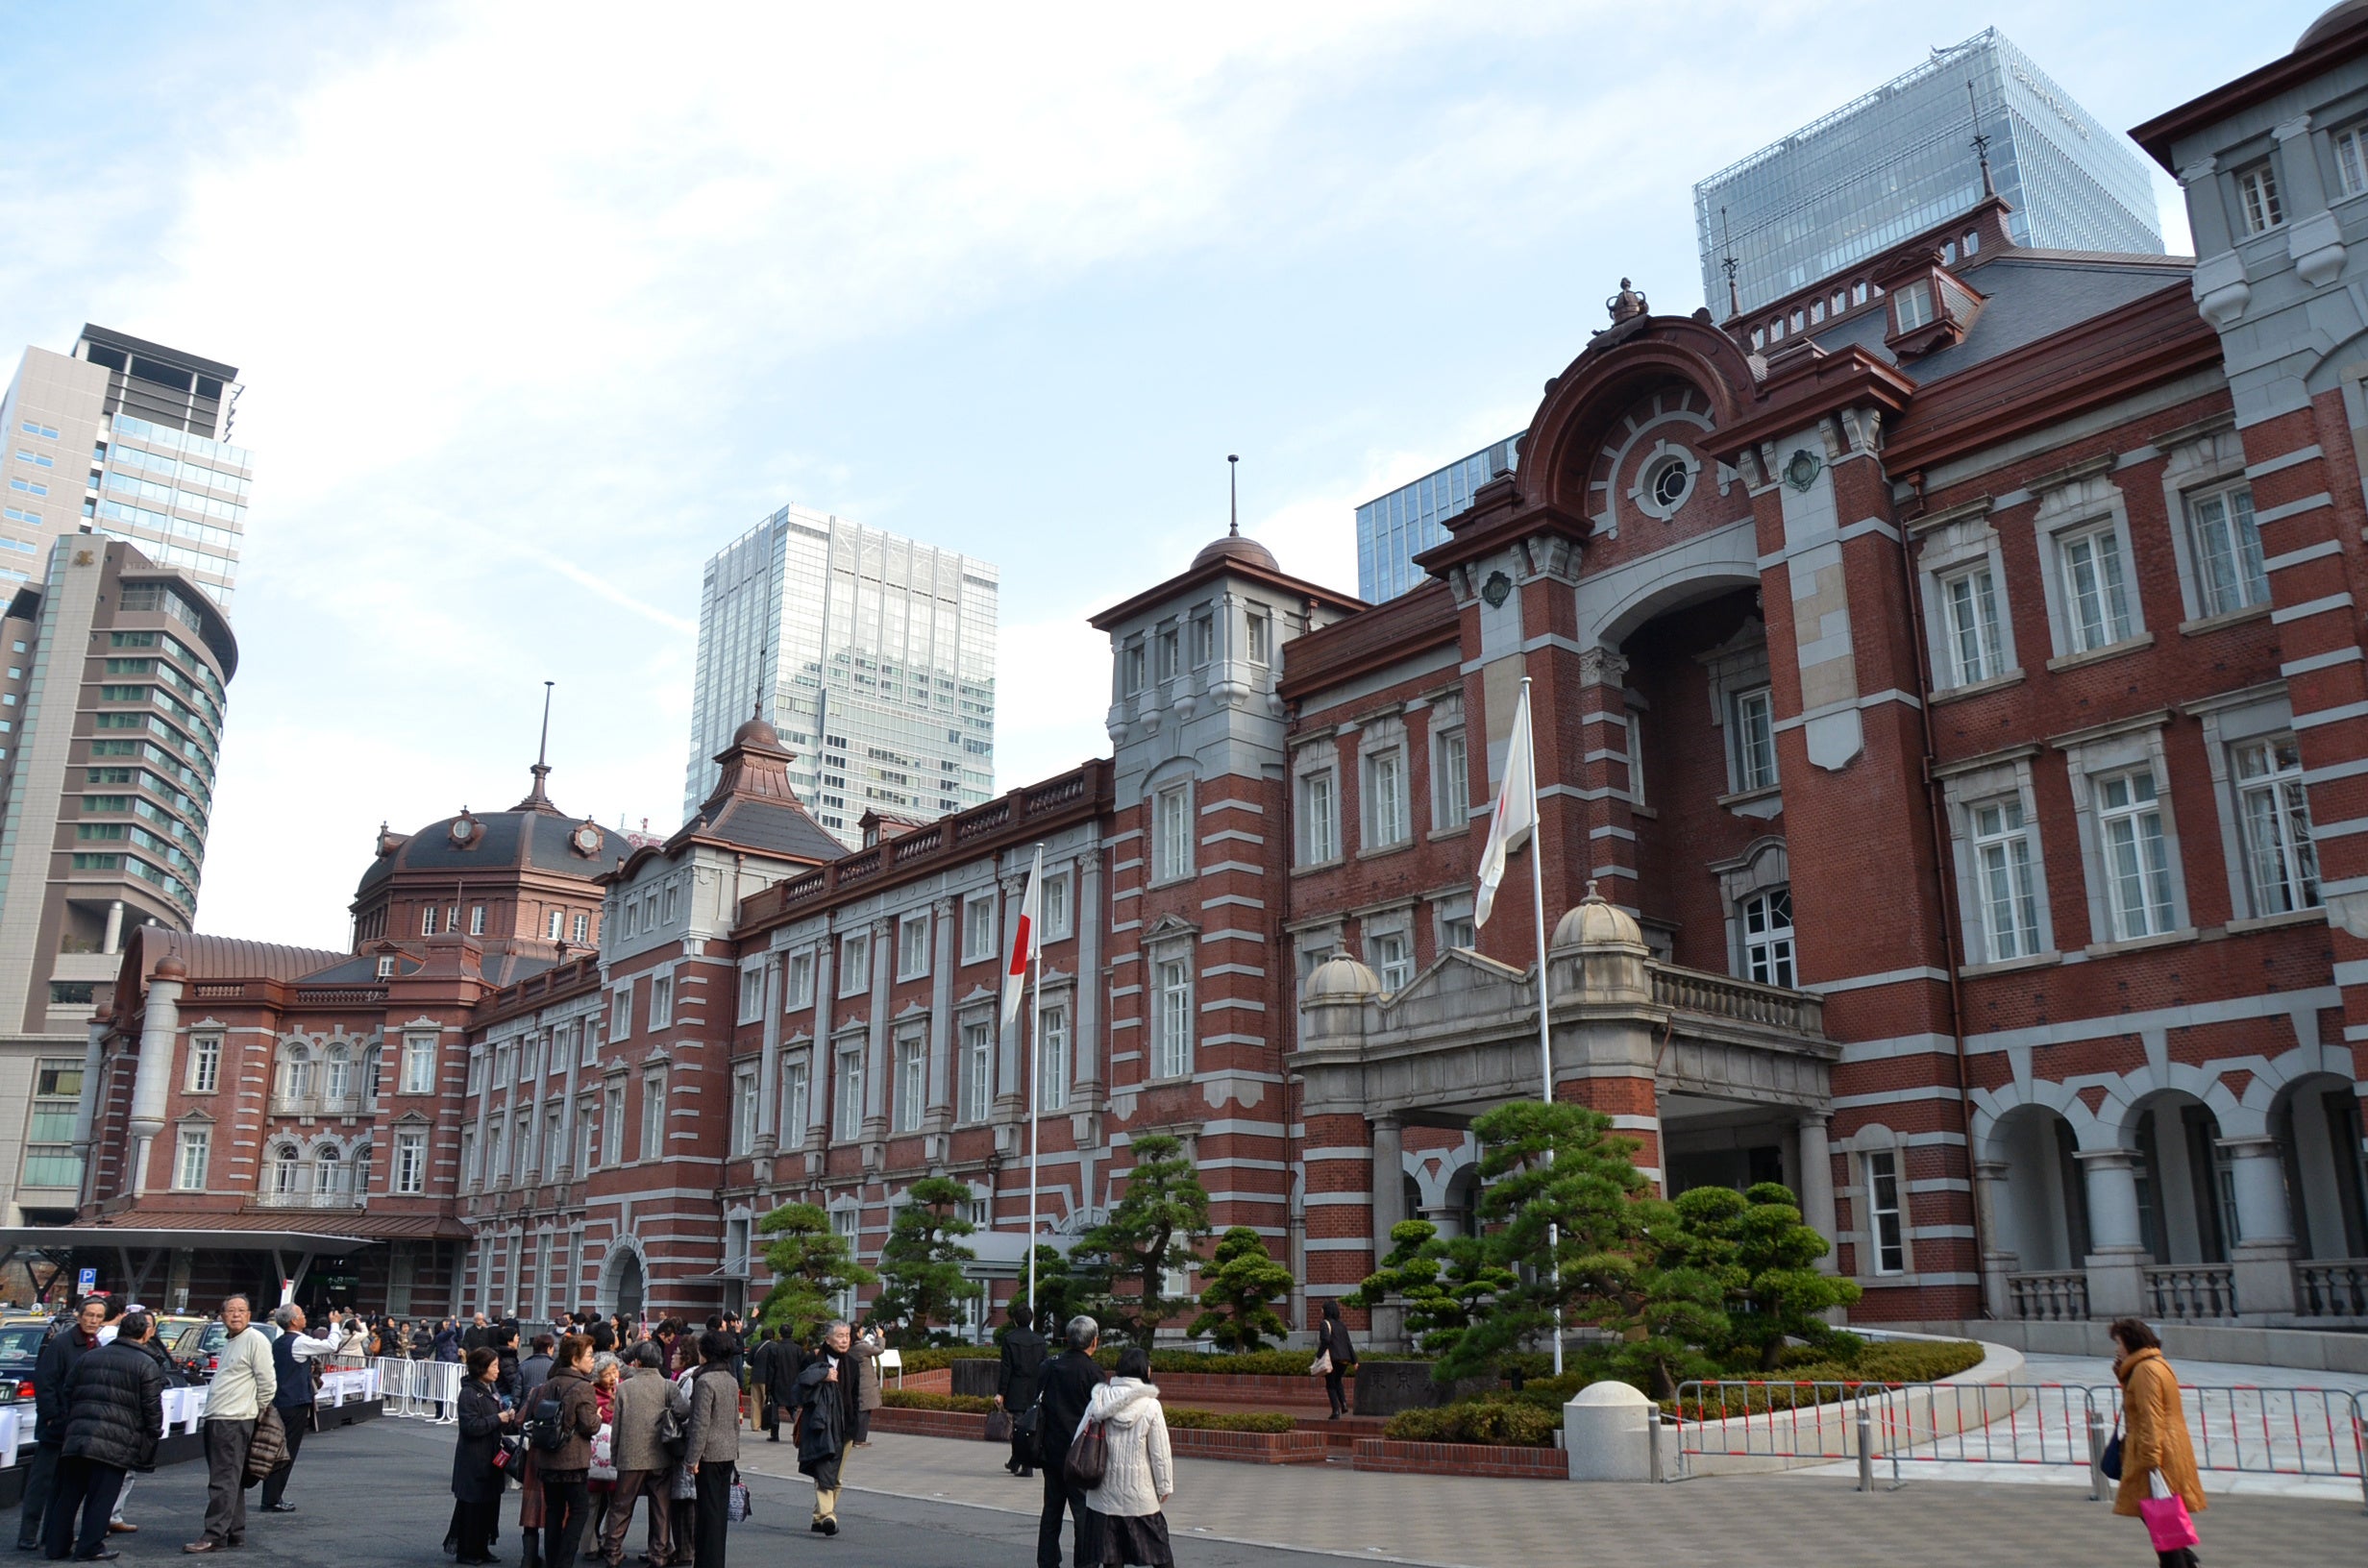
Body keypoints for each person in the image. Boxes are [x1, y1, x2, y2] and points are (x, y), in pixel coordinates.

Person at [47, 1310, 165, 1563]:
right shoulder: (146, 1364)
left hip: (78, 1435)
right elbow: (152, 1408)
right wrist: (152, 1435)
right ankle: (89, 1547)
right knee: (102, 1498)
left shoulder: (89, 1357)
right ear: (146, 1334)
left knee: (69, 1495)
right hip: (116, 1440)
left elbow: (68, 1392)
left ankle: (56, 1546)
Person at [183, 1294, 274, 1556]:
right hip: (222, 1416)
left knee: (223, 1479)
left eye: (241, 1310)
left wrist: (257, 1410)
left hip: (234, 1419)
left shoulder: (254, 1339)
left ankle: (214, 1535)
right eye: (230, 1310)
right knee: (231, 1479)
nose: (235, 1315)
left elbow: (267, 1381)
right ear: (221, 1316)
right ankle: (234, 1531)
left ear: (249, 1314)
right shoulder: (232, 1341)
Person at [2109, 1317, 2205, 1568]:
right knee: (2166, 1523)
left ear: (2130, 1341)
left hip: (2156, 1457)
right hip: (2165, 1451)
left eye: (2118, 1342)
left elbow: (2151, 1418)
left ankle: (2183, 1563)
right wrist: (2122, 1377)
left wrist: (2150, 1462)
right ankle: (2187, 1562)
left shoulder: (2145, 1371)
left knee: (2162, 1526)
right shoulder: (2153, 1365)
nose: (2117, 1349)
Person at [18, 1297, 108, 1551]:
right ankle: (28, 1534)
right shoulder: (61, 1344)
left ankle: (52, 1534)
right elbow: (45, 1382)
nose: (93, 1320)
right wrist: (52, 1417)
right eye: (89, 1315)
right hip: (57, 1425)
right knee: (42, 1482)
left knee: (65, 1485)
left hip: (79, 1427)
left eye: (99, 1316)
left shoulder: (96, 1345)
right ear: (79, 1315)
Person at [259, 1304, 362, 1513]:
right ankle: (273, 1498)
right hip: (294, 1401)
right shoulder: (299, 1341)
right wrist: (335, 1324)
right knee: (287, 1451)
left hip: (280, 1399)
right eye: (301, 1314)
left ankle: (271, 1496)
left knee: (278, 1449)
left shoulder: (279, 1342)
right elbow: (331, 1345)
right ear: (293, 1321)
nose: (305, 1317)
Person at [1079, 1348, 1173, 1568]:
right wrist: (1164, 1485)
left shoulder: (1099, 1400)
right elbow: (1160, 1453)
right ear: (1145, 1370)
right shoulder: (1151, 1405)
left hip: (1103, 1495)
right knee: (1161, 1555)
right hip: (1140, 1496)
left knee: (1111, 1559)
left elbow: (1079, 1439)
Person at [600, 1344, 686, 1568]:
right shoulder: (668, 1386)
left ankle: (613, 1551)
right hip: (660, 1454)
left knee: (621, 1506)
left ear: (636, 1362)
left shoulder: (625, 1388)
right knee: (661, 1507)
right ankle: (659, 1554)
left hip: (631, 1454)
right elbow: (684, 1412)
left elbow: (617, 1425)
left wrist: (615, 1455)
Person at [1035, 1315, 1108, 1568]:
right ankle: (1085, 1563)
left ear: (1068, 1338)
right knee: (1083, 1514)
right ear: (1094, 1342)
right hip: (1082, 1455)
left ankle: (1047, 1561)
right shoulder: (1094, 1372)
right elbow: (1102, 1413)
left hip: (1050, 1451)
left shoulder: (1049, 1365)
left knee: (1051, 1510)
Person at [533, 1335, 604, 1568]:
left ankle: (553, 1560)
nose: (592, 1361)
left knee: (553, 1511)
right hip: (572, 1460)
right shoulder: (583, 1387)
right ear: (575, 1359)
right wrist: (599, 1418)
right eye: (589, 1356)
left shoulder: (549, 1383)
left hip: (547, 1456)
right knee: (579, 1511)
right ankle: (564, 1562)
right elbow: (588, 1425)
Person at [790, 1322, 860, 1537]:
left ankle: (819, 1517)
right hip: (819, 1426)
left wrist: (857, 1429)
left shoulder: (853, 1364)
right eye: (840, 1336)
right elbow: (798, 1388)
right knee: (823, 1471)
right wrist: (822, 1377)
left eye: (847, 1335)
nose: (845, 1340)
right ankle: (829, 1515)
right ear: (828, 1339)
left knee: (836, 1477)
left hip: (845, 1427)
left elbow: (856, 1398)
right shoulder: (813, 1360)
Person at [682, 1332, 741, 1568]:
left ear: (706, 1353)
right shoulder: (730, 1379)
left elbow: (700, 1423)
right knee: (718, 1513)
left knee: (707, 1514)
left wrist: (692, 1457)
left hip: (709, 1453)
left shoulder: (705, 1381)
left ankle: (707, 1562)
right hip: (727, 1451)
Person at [452, 1349, 514, 1566]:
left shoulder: (490, 1389)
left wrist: (506, 1417)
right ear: (481, 1368)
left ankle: (482, 1547)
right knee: (472, 1507)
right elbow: (470, 1426)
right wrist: (498, 1418)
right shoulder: (469, 1393)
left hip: (491, 1456)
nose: (497, 1370)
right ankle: (467, 1550)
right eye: (494, 1366)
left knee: (489, 1505)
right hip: (474, 1459)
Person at [996, 1300, 1047, 1478]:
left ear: (1015, 1320)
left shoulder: (1009, 1339)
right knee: (1031, 1427)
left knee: (1018, 1428)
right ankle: (1018, 1461)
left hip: (1016, 1388)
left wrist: (1001, 1392)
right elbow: (1044, 1367)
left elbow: (1006, 1368)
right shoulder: (1040, 1341)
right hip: (1034, 1388)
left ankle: (1024, 1464)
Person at [1315, 1300, 1357, 1420]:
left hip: (1332, 1358)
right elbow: (1348, 1344)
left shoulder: (1324, 1323)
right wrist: (1355, 1361)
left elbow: (1326, 1341)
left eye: (1322, 1309)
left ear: (1326, 1311)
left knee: (1330, 1385)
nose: (1321, 1311)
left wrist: (1319, 1355)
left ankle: (1336, 1411)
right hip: (1344, 1359)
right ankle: (1343, 1403)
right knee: (1338, 1381)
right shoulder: (1341, 1325)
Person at [850, 1319, 884, 1446]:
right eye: (861, 1330)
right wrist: (880, 1337)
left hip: (858, 1382)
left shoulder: (852, 1346)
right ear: (857, 1332)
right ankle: (859, 1439)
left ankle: (857, 1438)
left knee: (861, 1410)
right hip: (865, 1383)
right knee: (863, 1411)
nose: (863, 1331)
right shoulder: (861, 1347)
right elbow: (879, 1350)